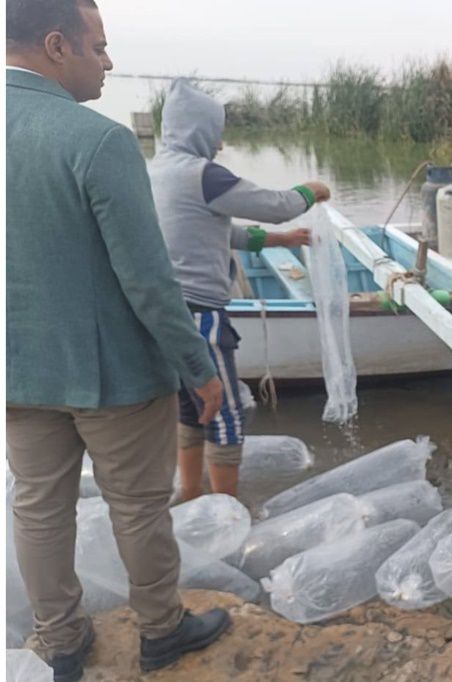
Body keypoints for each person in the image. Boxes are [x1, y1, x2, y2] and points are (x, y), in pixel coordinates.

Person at [6, 1, 231, 679]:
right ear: (57, 45)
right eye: (99, 46)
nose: (108, 62)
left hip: (16, 370)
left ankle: (61, 641)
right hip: (112, 374)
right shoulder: (97, 141)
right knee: (137, 506)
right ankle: (161, 629)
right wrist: (198, 366)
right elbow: (148, 279)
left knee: (38, 507)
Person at [149, 79, 330, 503]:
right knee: (225, 414)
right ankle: (227, 511)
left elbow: (217, 231)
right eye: (216, 131)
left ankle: (190, 494)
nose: (220, 142)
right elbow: (275, 205)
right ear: (199, 129)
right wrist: (312, 191)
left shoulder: (157, 170)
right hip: (201, 315)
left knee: (191, 407)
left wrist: (282, 241)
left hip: (165, 313)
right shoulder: (204, 175)